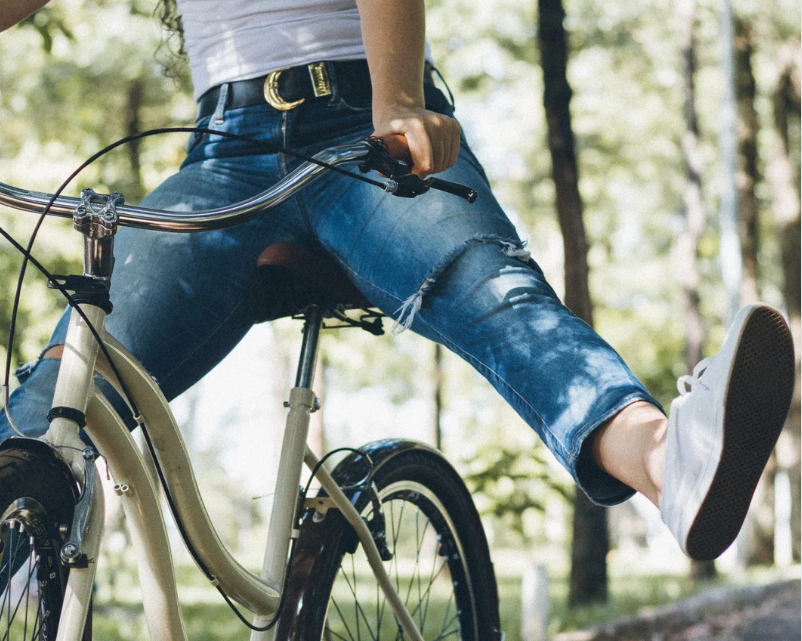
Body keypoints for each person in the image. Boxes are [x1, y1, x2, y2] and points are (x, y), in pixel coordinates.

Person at [0, 0, 794, 565]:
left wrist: (399, 99)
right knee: (60, 396)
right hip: (221, 155)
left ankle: (667, 462)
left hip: (361, 120)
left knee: (490, 292)